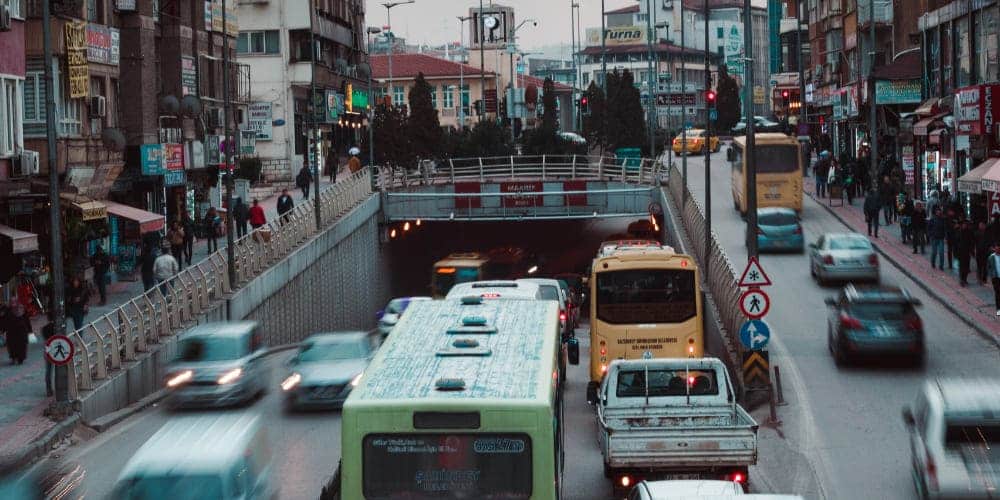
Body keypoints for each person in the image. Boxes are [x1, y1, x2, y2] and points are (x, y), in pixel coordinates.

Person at [2, 300, 31, 365]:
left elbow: (27, 320)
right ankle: (14, 357)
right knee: (12, 346)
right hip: (11, 331)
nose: (13, 304)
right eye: (12, 302)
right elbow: (4, 321)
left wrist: (30, 330)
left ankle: (20, 358)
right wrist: (3, 330)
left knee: (21, 345)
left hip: (21, 331)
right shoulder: (8, 310)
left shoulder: (21, 309)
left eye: (14, 302)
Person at [957, 219, 976, 286]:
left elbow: (972, 242)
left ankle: (965, 279)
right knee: (962, 266)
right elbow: (956, 242)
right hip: (960, 252)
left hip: (967, 252)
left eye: (965, 224)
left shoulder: (969, 232)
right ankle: (962, 280)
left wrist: (972, 251)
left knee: (966, 266)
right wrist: (956, 252)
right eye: (963, 224)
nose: (964, 225)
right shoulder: (959, 232)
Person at [41, 312, 56, 396]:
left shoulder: (44, 328)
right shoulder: (59, 327)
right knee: (60, 368)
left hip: (48, 349)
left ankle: (48, 389)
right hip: (57, 348)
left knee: (48, 370)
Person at [976, 221, 991, 285]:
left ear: (985, 226)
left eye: (982, 225)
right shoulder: (977, 233)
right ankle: (980, 278)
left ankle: (984, 279)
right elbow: (974, 242)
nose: (981, 226)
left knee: (985, 266)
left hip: (985, 251)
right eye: (980, 225)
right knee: (979, 266)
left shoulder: (988, 233)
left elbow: (990, 241)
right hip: (979, 251)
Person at [988, 243, 1000, 316]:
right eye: (997, 249)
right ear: (994, 249)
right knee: (997, 293)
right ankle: (998, 309)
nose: (998, 250)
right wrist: (992, 275)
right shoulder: (991, 257)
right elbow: (989, 267)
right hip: (995, 278)